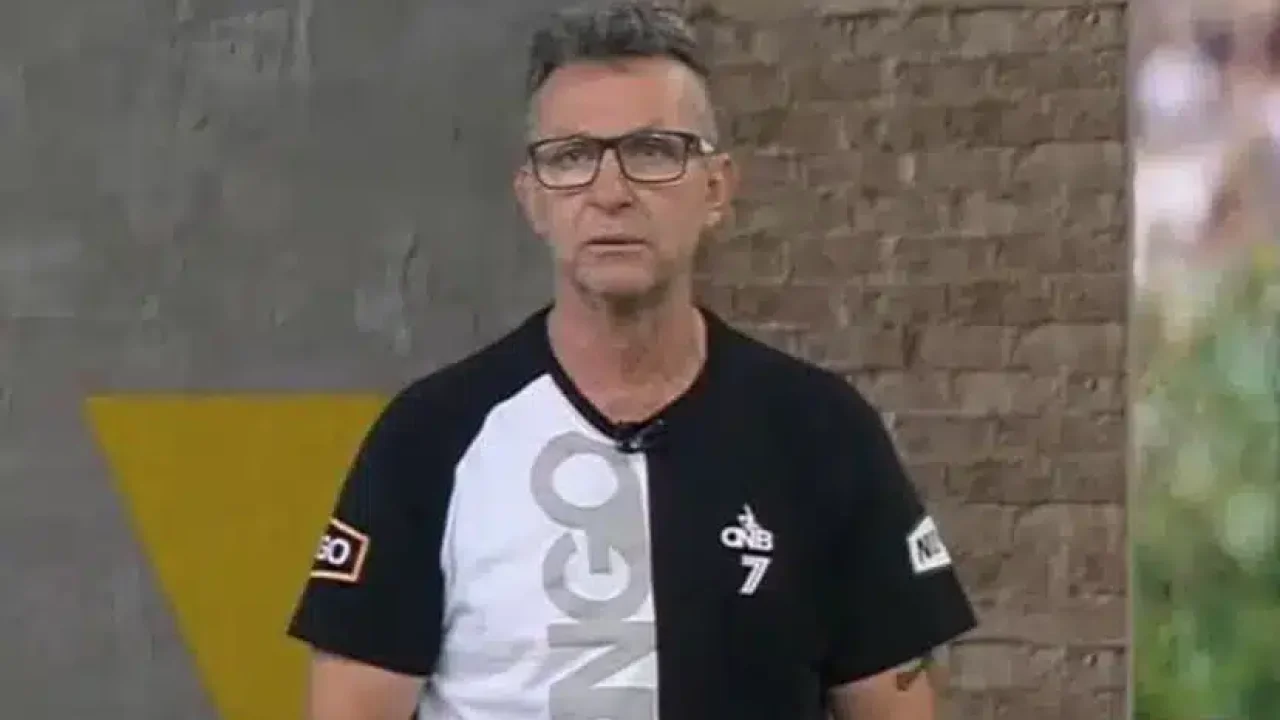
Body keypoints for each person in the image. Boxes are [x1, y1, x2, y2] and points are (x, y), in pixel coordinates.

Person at [286, 1, 977, 718]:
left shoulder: (820, 432)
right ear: (532, 198)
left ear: (717, 189)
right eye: (571, 157)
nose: (610, 193)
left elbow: (896, 705)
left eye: (652, 152)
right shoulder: (431, 437)